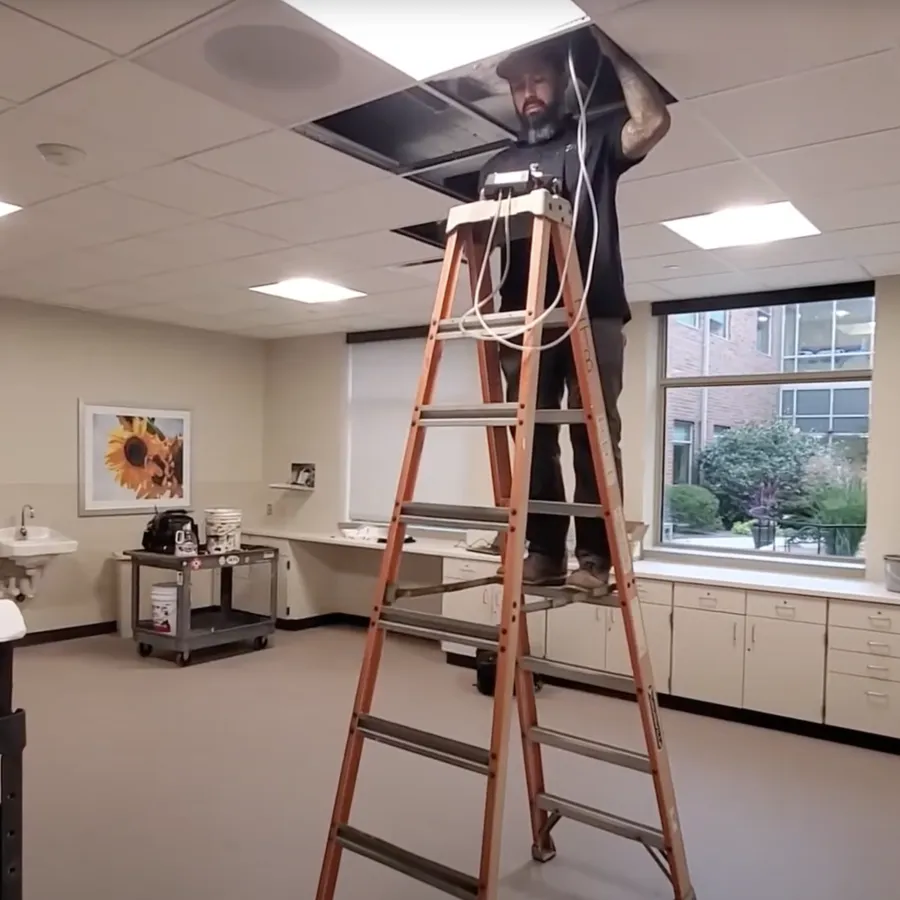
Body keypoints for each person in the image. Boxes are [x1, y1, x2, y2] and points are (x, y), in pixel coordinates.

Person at [479, 28, 670, 590]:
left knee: (592, 434)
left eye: (538, 79)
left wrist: (614, 55)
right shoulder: (496, 165)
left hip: (594, 310)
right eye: (518, 86)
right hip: (522, 320)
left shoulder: (593, 139)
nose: (528, 93)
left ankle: (594, 559)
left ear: (562, 85)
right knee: (533, 436)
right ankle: (544, 552)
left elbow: (651, 124)